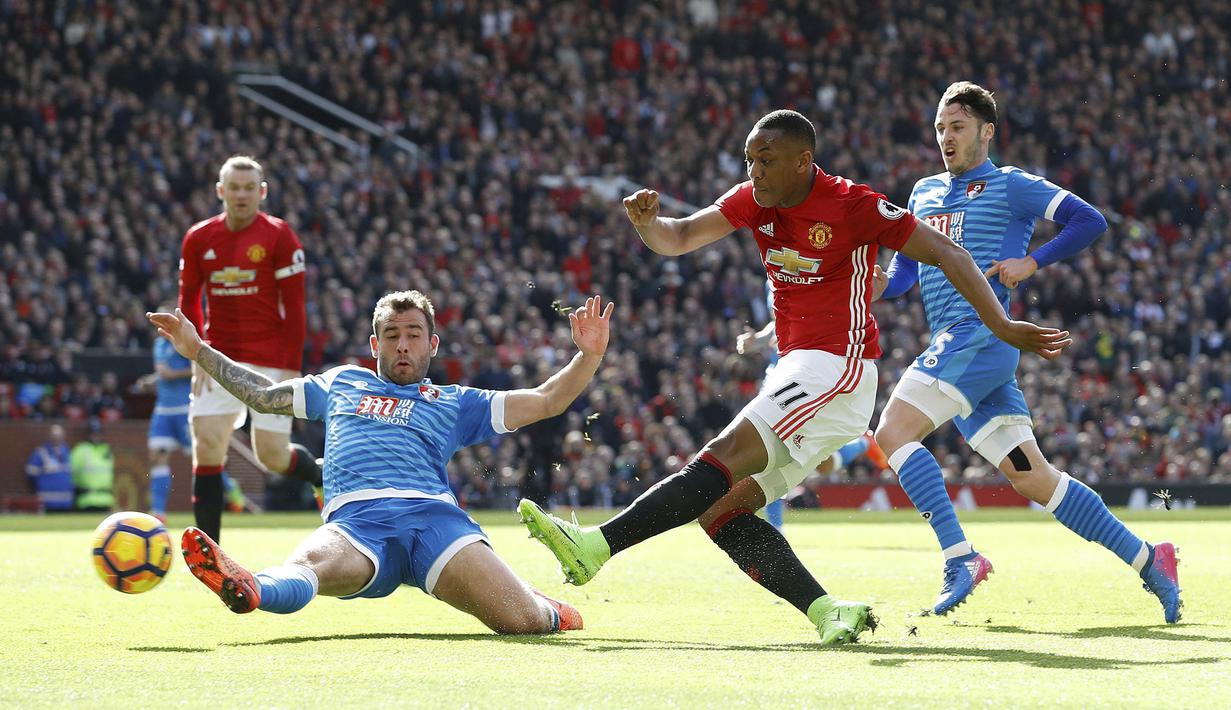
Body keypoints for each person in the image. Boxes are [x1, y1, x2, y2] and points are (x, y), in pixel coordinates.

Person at [518, 109, 1070, 645]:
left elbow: (949, 253)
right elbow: (679, 236)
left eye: (766, 160)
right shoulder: (753, 201)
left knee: (723, 453)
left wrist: (1001, 324)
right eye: (749, 160)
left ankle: (596, 547)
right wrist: (647, 225)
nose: (754, 171)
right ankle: (828, 612)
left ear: (803, 161)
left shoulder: (852, 204)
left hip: (840, 367)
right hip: (802, 368)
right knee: (721, 508)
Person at [872, 81, 1182, 622]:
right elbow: (903, 275)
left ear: (987, 131)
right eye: (940, 128)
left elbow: (1089, 220)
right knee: (1032, 477)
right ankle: (1148, 558)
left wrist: (1033, 261)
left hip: (977, 335)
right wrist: (875, 286)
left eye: (958, 126)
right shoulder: (922, 192)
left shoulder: (1011, 185)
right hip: (969, 351)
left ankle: (960, 557)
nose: (946, 137)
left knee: (893, 432)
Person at [147, 289, 615, 634]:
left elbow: (547, 400)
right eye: (391, 336)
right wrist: (197, 350)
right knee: (309, 564)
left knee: (524, 622)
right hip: (357, 523)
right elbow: (264, 397)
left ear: (432, 345)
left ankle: (544, 607)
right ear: (375, 346)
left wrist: (588, 356)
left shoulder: (456, 401)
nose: (402, 345)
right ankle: (250, 587)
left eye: (413, 335)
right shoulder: (341, 383)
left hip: (435, 522)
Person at [178, 155, 321, 542]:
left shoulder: (280, 236)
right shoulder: (199, 238)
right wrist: (197, 356)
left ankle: (319, 475)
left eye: (248, 188)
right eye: (233, 188)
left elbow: (295, 307)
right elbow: (189, 301)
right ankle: (209, 557)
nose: (241, 195)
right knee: (207, 445)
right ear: (220, 191)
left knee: (271, 456)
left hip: (271, 362)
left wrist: (291, 367)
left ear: (262, 192)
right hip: (217, 357)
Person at [736, 281, 888, 530]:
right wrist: (758, 340)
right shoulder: (773, 277)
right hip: (778, 378)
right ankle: (776, 529)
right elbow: (778, 321)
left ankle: (862, 445)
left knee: (816, 462)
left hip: (810, 377)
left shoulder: (812, 273)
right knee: (778, 452)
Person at [138, 317, 246, 522]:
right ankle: (158, 512)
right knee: (157, 455)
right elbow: (162, 372)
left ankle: (230, 487)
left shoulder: (186, 340)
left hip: (183, 408)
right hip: (163, 409)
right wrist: (154, 380)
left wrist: (173, 374)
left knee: (200, 457)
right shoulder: (159, 343)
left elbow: (200, 366)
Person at [25, 424, 73, 512]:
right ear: (49, 436)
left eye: (59, 435)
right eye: (54, 435)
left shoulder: (68, 453)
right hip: (47, 502)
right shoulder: (41, 453)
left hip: (66, 502)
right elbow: (31, 475)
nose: (57, 438)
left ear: (63, 436)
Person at [70, 418, 114, 511]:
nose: (96, 435)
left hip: (105, 500)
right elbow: (72, 476)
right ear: (87, 434)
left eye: (98, 432)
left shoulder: (106, 450)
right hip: (86, 501)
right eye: (93, 433)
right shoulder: (80, 450)